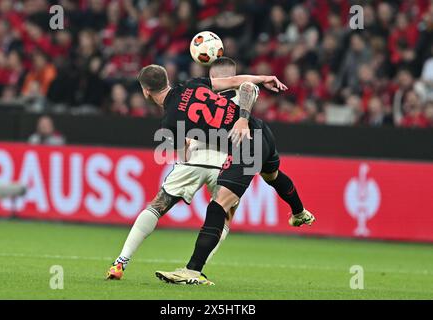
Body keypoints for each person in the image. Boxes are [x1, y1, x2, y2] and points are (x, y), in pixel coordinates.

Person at [137, 60, 315, 285]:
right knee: (272, 176)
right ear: (168, 80)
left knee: (217, 205)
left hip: (248, 146)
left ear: (146, 92)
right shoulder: (193, 84)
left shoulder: (169, 122)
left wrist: (191, 142)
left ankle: (192, 271)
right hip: (262, 131)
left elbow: (184, 158)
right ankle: (299, 212)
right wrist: (263, 79)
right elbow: (239, 83)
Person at [106, 58, 241, 280]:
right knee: (224, 217)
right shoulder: (235, 93)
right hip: (226, 161)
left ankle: (120, 262)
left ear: (146, 91)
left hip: (196, 157)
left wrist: (186, 146)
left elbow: (183, 153)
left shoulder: (185, 100)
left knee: (157, 206)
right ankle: (195, 271)